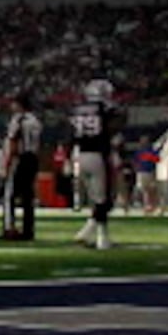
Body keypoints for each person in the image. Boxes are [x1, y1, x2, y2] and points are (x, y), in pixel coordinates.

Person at [65, 79, 124, 250]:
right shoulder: (105, 109)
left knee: (95, 198)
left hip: (80, 154)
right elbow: (116, 123)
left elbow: (70, 134)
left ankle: (87, 231)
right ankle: (102, 237)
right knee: (103, 198)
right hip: (98, 155)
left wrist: (68, 158)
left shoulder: (77, 109)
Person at [0, 92, 44, 242]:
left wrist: (6, 164)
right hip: (32, 158)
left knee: (9, 195)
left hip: (20, 158)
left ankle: (9, 228)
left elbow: (13, 141)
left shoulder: (18, 119)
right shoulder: (35, 120)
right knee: (27, 196)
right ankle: (28, 230)